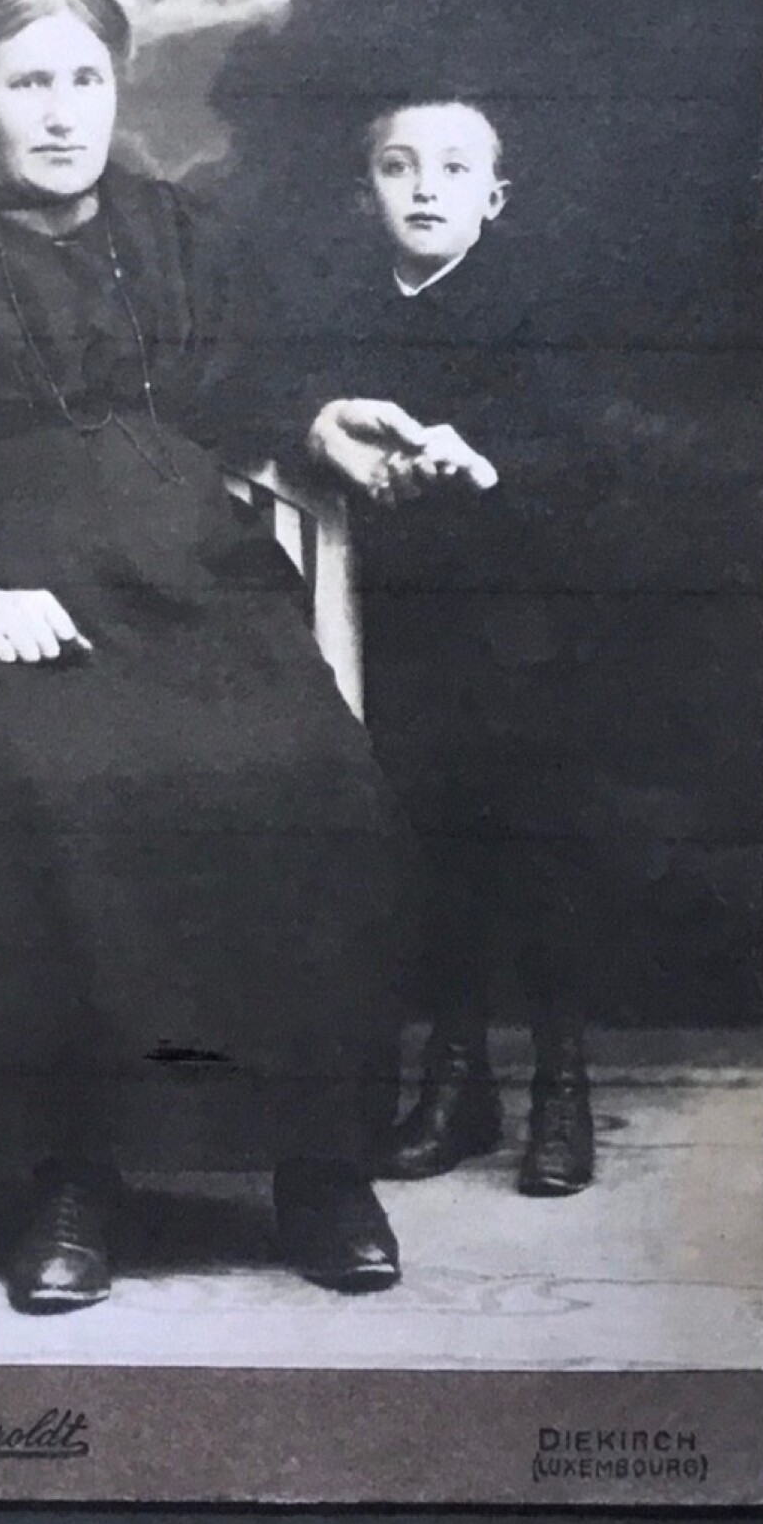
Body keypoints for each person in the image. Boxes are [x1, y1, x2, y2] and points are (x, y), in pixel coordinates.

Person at [0, 0, 411, 1314]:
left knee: (310, 767)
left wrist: (320, 425)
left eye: (86, 78)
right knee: (63, 785)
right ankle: (70, 1169)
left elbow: (249, 394)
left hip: (182, 581)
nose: (64, 112)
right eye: (27, 82)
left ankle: (319, 1158)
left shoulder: (176, 237)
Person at [305, 100, 596, 1196]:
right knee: (432, 852)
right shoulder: (348, 317)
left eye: (454, 168)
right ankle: (458, 1078)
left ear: (495, 195)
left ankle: (561, 1083)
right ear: (367, 189)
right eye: (397, 166)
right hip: (401, 623)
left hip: (529, 627)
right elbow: (277, 404)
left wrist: (487, 462)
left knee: (536, 847)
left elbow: (589, 462)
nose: (424, 187)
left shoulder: (536, 312)